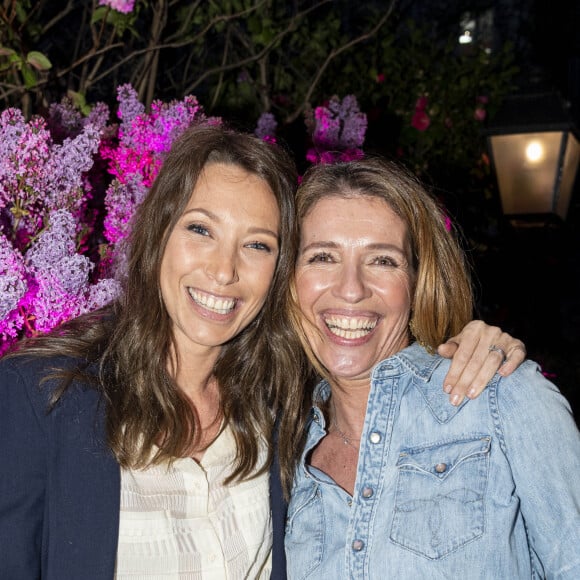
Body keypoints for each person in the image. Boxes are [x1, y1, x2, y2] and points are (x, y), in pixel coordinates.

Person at [0, 124, 525, 580]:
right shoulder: (42, 397)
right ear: (158, 234)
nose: (224, 270)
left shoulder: (282, 402)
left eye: (258, 245)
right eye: (200, 229)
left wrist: (479, 341)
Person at [282, 158, 580, 579]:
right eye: (322, 257)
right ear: (289, 282)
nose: (350, 288)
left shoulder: (502, 398)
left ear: (418, 283)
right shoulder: (280, 450)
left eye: (382, 260)